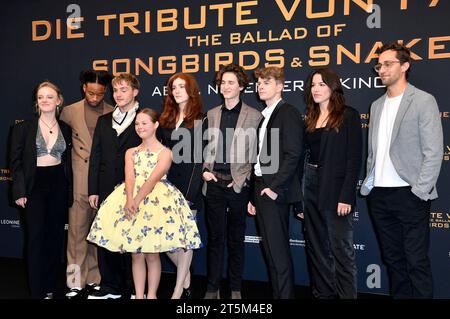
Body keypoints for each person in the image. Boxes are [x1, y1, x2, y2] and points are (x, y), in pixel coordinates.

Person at [87, 108, 202, 299]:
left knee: (152, 253)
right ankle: (139, 295)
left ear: (155, 125)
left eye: (144, 123)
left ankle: (152, 295)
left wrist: (137, 200)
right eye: (137, 123)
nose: (140, 127)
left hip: (156, 202)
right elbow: (129, 177)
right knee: (136, 254)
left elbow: (153, 180)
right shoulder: (130, 152)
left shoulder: (165, 152)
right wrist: (129, 200)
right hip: (129, 199)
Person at [360, 42, 443, 299]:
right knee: (393, 261)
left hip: (410, 194)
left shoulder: (423, 100)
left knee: (416, 261)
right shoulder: (376, 105)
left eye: (387, 64)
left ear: (405, 66)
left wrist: (419, 191)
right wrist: (370, 185)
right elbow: (374, 152)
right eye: (379, 65)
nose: (381, 70)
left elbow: (434, 151)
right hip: (380, 195)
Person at [202, 64, 262, 299]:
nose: (225, 87)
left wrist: (244, 179)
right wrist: (205, 171)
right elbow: (203, 147)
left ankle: (236, 289)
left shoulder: (254, 115)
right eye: (222, 82)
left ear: (241, 86)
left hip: (238, 185)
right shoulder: (212, 114)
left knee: (236, 240)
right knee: (215, 239)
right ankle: (212, 288)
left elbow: (258, 153)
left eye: (230, 82)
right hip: (214, 184)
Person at [302, 68, 362, 299]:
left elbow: (354, 158)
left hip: (336, 189)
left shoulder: (348, 115)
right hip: (310, 184)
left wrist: (347, 195)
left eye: (321, 84)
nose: (315, 89)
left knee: (341, 249)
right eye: (313, 85)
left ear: (333, 87)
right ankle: (323, 295)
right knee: (316, 248)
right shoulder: (309, 116)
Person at [10, 81, 73, 299]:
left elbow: (68, 163)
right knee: (36, 238)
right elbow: (16, 163)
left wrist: (70, 191)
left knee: (55, 237)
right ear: (37, 102)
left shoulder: (66, 128)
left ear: (58, 100)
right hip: (34, 185)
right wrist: (20, 191)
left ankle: (50, 286)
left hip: (58, 184)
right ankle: (36, 290)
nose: (44, 100)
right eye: (40, 97)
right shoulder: (23, 128)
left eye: (49, 96)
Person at [247, 67, 304, 299]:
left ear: (280, 86)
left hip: (274, 191)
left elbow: (293, 154)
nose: (260, 86)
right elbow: (258, 158)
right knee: (270, 252)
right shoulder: (265, 115)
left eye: (266, 82)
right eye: (259, 82)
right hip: (261, 187)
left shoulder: (287, 112)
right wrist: (254, 194)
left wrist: (274, 188)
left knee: (278, 253)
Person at [87, 73, 141, 299]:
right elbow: (96, 156)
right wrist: (93, 189)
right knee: (107, 236)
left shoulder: (145, 118)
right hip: (107, 187)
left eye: (124, 90)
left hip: (134, 189)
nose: (118, 94)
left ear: (135, 92)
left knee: (131, 238)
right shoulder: (103, 120)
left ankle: (130, 287)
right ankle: (109, 286)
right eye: (116, 90)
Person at [60, 70, 114, 299]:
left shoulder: (113, 112)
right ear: (84, 88)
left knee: (98, 234)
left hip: (103, 181)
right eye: (91, 93)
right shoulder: (69, 111)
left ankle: (94, 278)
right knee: (76, 233)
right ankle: (74, 280)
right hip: (79, 178)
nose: (94, 98)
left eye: (100, 94)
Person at [157, 73, 204, 299]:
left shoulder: (200, 119)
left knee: (184, 238)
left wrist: (189, 193)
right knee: (165, 240)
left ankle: (178, 290)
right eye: (173, 87)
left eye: (181, 87)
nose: (176, 91)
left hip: (189, 184)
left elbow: (199, 159)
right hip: (166, 183)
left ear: (191, 90)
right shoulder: (165, 118)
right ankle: (185, 275)